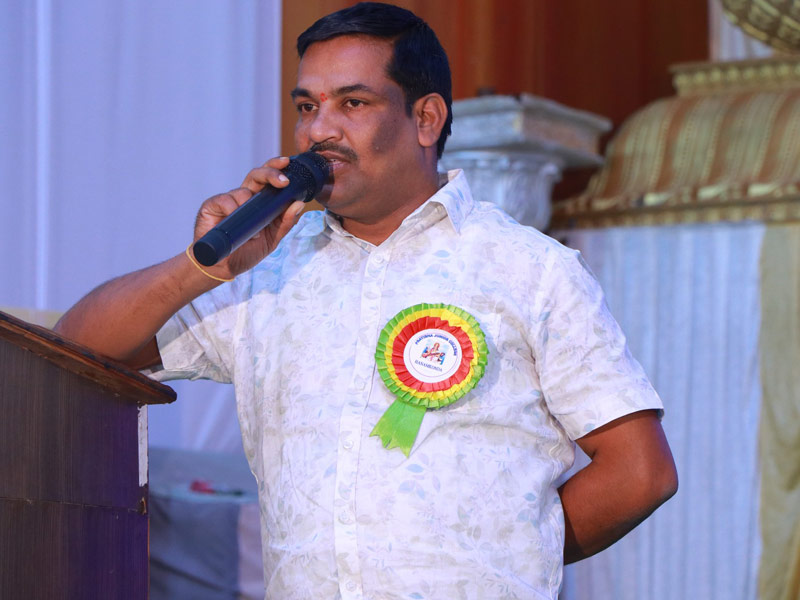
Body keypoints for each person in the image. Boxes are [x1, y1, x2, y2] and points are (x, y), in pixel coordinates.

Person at [54, 3, 677, 598]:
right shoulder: (267, 272)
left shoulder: (531, 269)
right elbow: (76, 349)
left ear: (426, 119)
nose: (319, 130)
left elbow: (638, 472)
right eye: (307, 106)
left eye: (353, 103)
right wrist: (202, 267)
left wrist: (510, 555)